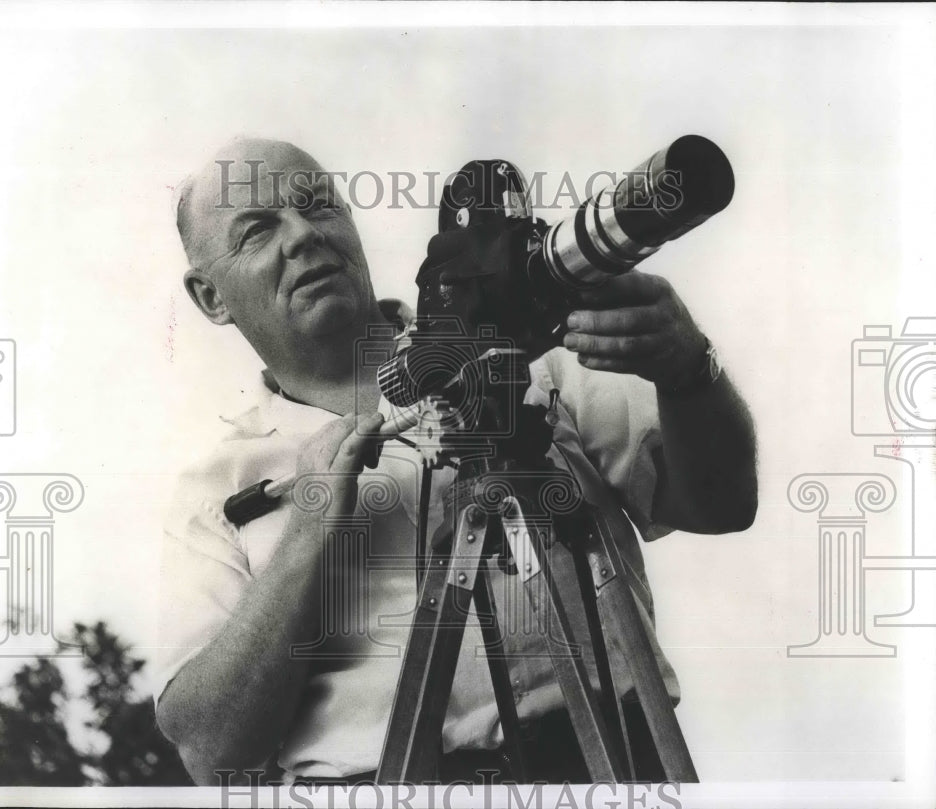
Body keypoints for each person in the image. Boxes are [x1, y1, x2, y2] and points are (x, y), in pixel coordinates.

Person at [154, 138, 758, 786]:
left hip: (612, 765)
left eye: (317, 206)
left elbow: (722, 503)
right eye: (258, 230)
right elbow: (212, 749)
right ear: (211, 296)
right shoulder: (218, 487)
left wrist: (690, 370)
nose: (303, 235)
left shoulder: (539, 357)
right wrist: (308, 532)